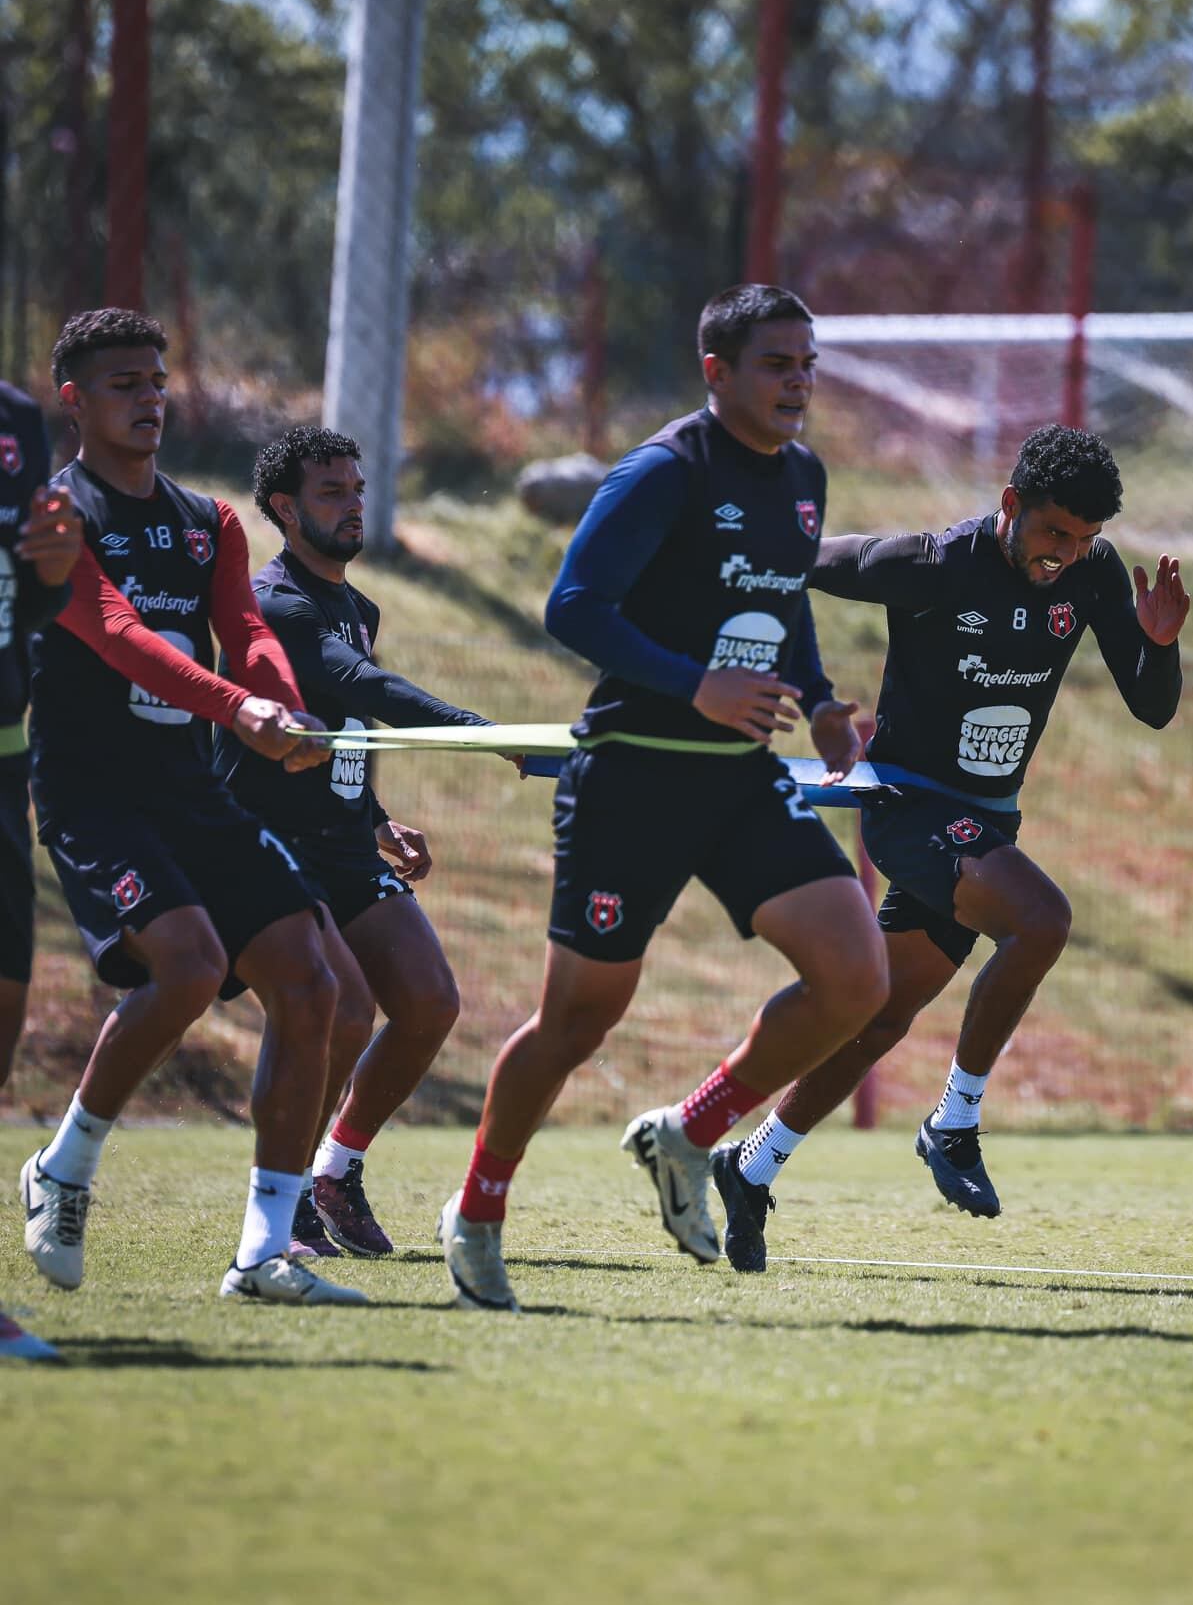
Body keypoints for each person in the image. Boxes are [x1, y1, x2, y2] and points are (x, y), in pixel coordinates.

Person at [438, 284, 888, 1310]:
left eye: (808, 363)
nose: (799, 382)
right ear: (716, 371)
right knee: (578, 1019)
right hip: (632, 774)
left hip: (739, 776)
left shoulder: (805, 475)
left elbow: (783, 604)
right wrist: (695, 683)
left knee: (856, 976)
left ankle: (689, 1134)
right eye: (779, 364)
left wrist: (818, 704)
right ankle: (478, 1208)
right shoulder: (659, 471)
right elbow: (572, 606)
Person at [710, 424, 1191, 1271]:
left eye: (1084, 541)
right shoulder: (933, 564)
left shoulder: (1096, 574)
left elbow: (1151, 709)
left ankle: (751, 1166)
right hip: (906, 809)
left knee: (880, 1016)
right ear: (1011, 505)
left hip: (985, 823)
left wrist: (1159, 645)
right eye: (1051, 534)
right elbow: (806, 564)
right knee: (1040, 921)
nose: (1064, 557)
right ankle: (955, 1122)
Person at [19, 308, 367, 1308]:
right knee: (190, 961)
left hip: (189, 792)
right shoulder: (56, 519)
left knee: (314, 986)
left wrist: (282, 700)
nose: (151, 396)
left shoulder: (209, 519)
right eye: (125, 382)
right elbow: (121, 633)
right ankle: (64, 1165)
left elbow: (246, 629)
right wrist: (238, 704)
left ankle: (265, 1250)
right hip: (94, 795)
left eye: (158, 378)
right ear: (75, 400)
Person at [218, 425, 494, 1258]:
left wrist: (375, 819)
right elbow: (359, 688)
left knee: (430, 1002)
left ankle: (335, 1173)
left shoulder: (353, 605)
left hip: (340, 843)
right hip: (267, 843)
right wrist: (484, 732)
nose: (351, 506)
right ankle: (285, 1196)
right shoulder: (277, 603)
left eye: (356, 489)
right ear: (285, 510)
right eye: (330, 493)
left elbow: (341, 728)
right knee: (340, 1006)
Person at [1, 375, 82, 1362]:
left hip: (2, 758)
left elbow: (41, 585)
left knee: (6, 1005)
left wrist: (57, 565)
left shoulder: (16, 419)